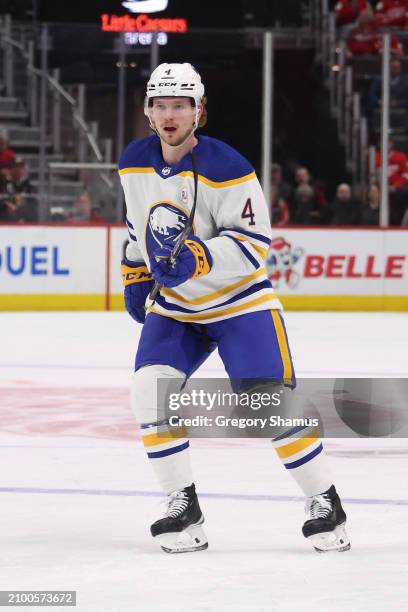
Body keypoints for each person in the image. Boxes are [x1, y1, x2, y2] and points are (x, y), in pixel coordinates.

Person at [118, 62, 350, 555]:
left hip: (240, 303)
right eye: (160, 105)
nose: (169, 114)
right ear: (148, 111)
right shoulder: (133, 161)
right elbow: (139, 225)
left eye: (180, 104)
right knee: (148, 388)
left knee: (267, 402)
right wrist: (136, 268)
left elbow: (254, 244)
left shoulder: (229, 167)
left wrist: (198, 256)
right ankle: (183, 505)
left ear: (199, 111)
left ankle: (325, 501)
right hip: (179, 309)